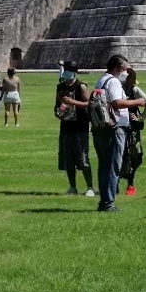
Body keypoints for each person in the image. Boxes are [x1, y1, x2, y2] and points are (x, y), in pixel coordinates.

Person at [93, 54, 146, 212]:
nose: (126, 73)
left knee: (104, 166)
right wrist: (137, 102)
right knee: (112, 167)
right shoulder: (114, 82)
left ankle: (105, 200)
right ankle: (108, 203)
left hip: (101, 128)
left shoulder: (102, 80)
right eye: (124, 69)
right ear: (117, 69)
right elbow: (117, 103)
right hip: (114, 129)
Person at [54, 62, 94, 197]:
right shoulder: (60, 87)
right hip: (66, 127)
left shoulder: (81, 87)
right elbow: (57, 105)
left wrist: (73, 103)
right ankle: (72, 187)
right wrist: (60, 110)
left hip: (80, 127)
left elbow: (90, 104)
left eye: (68, 71)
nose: (66, 73)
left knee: (83, 158)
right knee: (68, 160)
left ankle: (90, 187)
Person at [120, 68, 146, 196]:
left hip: (131, 128)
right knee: (120, 154)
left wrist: (140, 118)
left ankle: (130, 183)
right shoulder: (115, 87)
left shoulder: (134, 90)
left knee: (133, 155)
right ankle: (116, 183)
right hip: (118, 126)